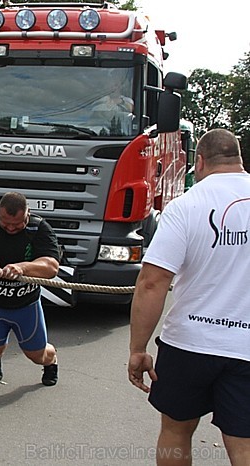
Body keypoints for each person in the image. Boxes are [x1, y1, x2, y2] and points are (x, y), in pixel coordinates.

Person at [128, 128, 250, 465]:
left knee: (176, 430)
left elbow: (152, 282)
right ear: (239, 159)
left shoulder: (186, 205)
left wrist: (138, 349)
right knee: (244, 443)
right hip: (247, 348)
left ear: (200, 160)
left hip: (190, 343)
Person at [0, 191, 60, 386]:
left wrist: (22, 267)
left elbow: (51, 266)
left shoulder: (39, 228)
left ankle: (52, 361)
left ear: (27, 213)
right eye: (5, 222)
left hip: (26, 305)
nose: (10, 228)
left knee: (37, 354)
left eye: (16, 224)